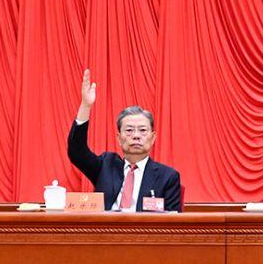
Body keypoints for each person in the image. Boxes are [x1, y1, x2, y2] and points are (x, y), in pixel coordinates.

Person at [67, 69, 182, 212]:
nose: (136, 135)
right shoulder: (105, 166)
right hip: (104, 232)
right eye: (129, 130)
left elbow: (174, 225)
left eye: (142, 130)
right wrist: (85, 106)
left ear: (153, 138)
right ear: (119, 138)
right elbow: (76, 152)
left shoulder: (167, 177)